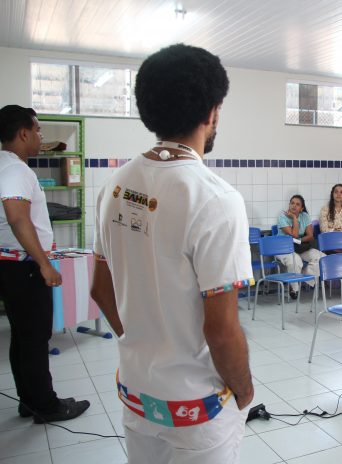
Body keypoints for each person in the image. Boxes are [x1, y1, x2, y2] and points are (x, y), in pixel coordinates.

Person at [90, 44, 253, 463]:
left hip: (137, 393)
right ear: (212, 111)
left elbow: (100, 289)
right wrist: (245, 389)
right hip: (197, 409)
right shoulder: (216, 198)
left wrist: (142, 341)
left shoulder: (113, 186)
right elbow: (221, 329)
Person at [0, 105, 90, 423]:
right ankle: (46, 406)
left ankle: (31, 400)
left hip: (13, 265)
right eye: (37, 130)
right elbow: (15, 215)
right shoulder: (15, 171)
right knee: (35, 338)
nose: (40, 136)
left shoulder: (6, 165)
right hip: (24, 266)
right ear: (23, 133)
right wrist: (43, 263)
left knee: (24, 337)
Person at [276, 194, 324, 299]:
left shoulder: (305, 216)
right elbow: (294, 234)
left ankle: (302, 276)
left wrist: (299, 241)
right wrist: (294, 218)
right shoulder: (282, 217)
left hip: (300, 247)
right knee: (296, 261)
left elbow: (310, 236)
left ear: (301, 208)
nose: (294, 206)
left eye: (297, 204)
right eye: (292, 203)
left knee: (321, 257)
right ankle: (294, 289)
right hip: (283, 248)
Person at [319, 183, 342, 250]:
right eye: (336, 192)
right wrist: (335, 231)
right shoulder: (324, 210)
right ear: (332, 194)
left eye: (341, 192)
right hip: (330, 241)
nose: (338, 194)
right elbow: (323, 230)